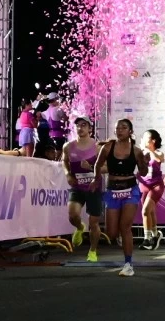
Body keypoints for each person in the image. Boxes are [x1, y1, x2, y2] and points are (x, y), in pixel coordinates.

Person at [96, 119, 148, 277]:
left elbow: (143, 172)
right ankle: (121, 236)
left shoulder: (136, 151)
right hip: (113, 190)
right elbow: (97, 165)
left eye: (124, 128)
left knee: (125, 227)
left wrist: (144, 163)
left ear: (130, 131)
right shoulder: (107, 147)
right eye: (117, 128)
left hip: (130, 190)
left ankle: (128, 264)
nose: (120, 130)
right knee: (111, 232)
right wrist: (94, 180)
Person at [63, 118, 103, 261]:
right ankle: (80, 227)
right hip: (77, 186)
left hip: (94, 188)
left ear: (90, 129)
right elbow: (64, 161)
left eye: (84, 125)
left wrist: (91, 168)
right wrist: (68, 174)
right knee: (72, 215)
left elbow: (106, 168)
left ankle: (92, 251)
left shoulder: (97, 147)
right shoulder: (68, 146)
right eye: (78, 125)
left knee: (94, 222)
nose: (80, 128)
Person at [138, 130, 165, 250]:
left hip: (156, 185)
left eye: (146, 137)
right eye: (143, 137)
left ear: (153, 141)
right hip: (144, 184)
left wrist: (149, 150)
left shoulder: (159, 153)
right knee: (150, 211)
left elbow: (159, 159)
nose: (143, 139)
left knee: (145, 211)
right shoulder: (140, 153)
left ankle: (147, 239)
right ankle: (155, 235)